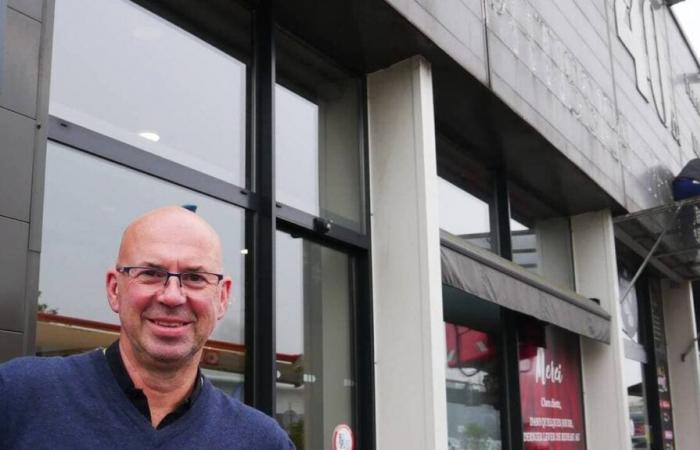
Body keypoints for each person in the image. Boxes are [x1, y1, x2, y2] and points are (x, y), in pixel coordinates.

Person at [0, 206, 295, 449]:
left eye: (194, 277)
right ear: (115, 289)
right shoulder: (18, 396)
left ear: (222, 296)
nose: (172, 295)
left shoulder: (263, 442)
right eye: (151, 273)